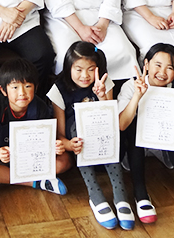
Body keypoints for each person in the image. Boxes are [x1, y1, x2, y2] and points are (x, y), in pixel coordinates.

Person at [118, 44, 174, 223]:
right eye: (157, 65)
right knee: (136, 126)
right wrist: (137, 96)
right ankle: (140, 193)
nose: (162, 72)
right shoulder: (130, 85)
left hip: (163, 147)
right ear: (146, 64)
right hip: (134, 147)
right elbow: (121, 125)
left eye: (170, 68)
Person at [48, 42, 134, 230]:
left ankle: (120, 194)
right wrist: (70, 145)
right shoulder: (58, 89)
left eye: (91, 69)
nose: (85, 75)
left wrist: (103, 96)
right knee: (79, 125)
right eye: (78, 69)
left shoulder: (104, 82)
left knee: (106, 126)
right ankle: (95, 194)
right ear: (69, 67)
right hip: (77, 148)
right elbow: (60, 134)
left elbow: (111, 120)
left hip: (105, 145)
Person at [0, 58, 69, 195]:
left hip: (31, 161)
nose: (22, 93)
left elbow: (47, 145)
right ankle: (37, 183)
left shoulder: (40, 107)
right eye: (15, 87)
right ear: (4, 90)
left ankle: (0, 178)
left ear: (36, 86)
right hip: (3, 161)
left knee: (65, 160)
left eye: (28, 86)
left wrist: (56, 147)